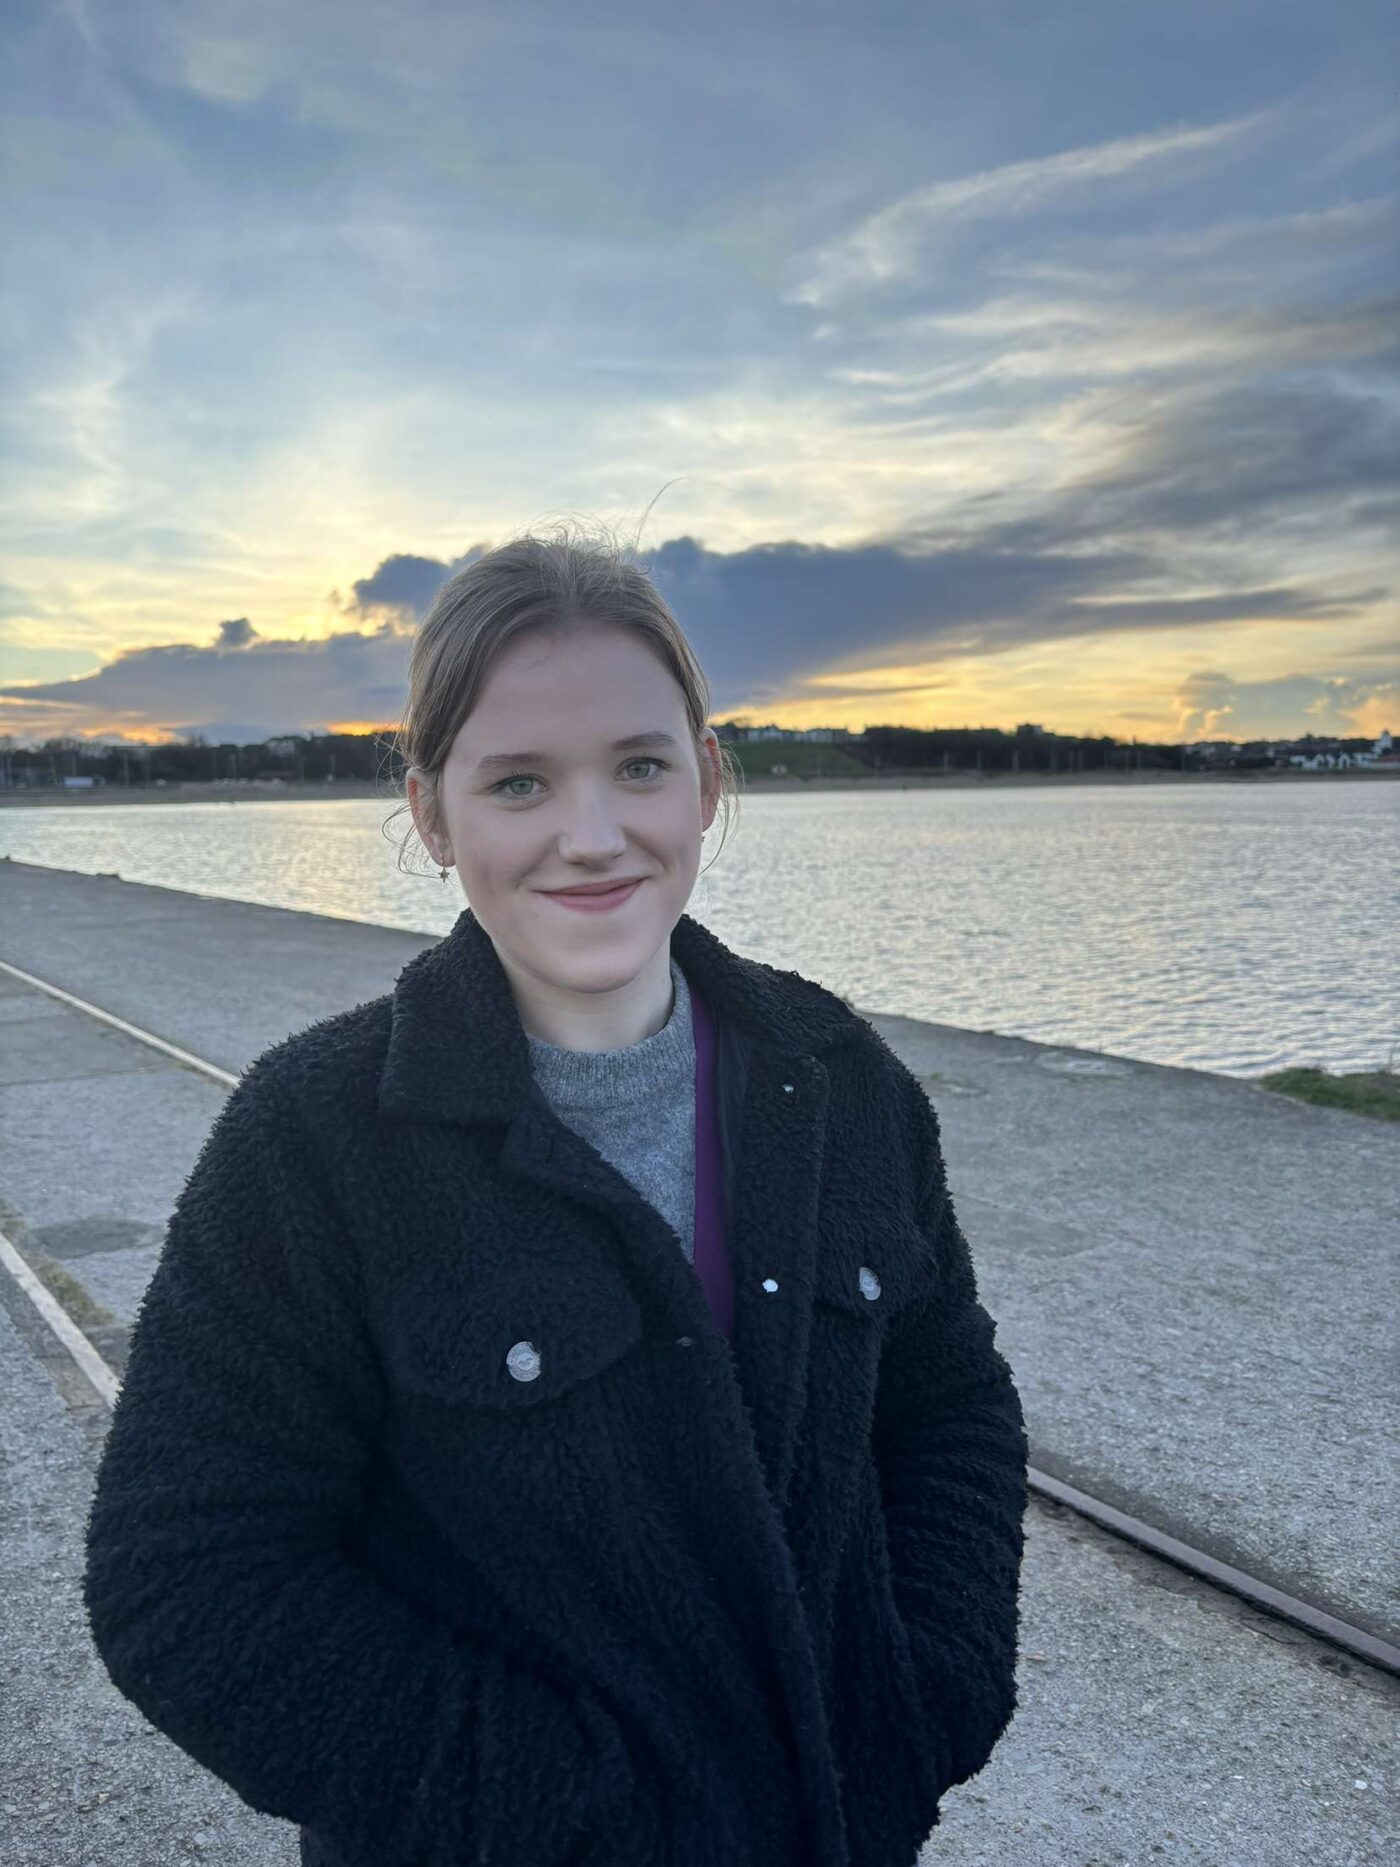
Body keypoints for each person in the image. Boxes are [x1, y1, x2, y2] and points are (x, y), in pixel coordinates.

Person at [82, 522, 1029, 1867]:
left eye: (639, 766)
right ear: (433, 815)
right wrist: (579, 1812)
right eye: (520, 783)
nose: (593, 838)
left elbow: (950, 1408)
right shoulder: (313, 1140)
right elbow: (186, 1585)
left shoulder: (841, 1079)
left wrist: (928, 1696)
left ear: (706, 781)